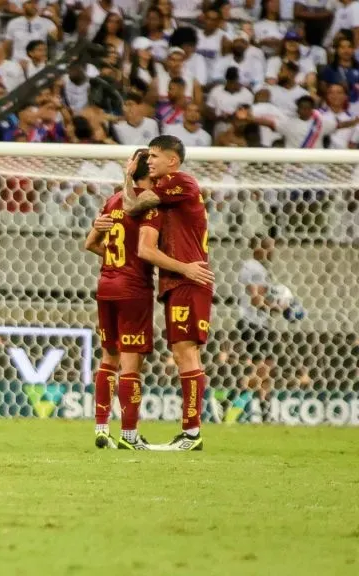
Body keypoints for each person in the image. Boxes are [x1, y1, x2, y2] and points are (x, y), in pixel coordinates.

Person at [123, 136, 215, 451]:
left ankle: (191, 433)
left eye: (154, 156)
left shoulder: (181, 182)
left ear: (172, 160)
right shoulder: (164, 197)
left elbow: (132, 207)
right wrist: (128, 178)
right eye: (147, 157)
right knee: (182, 354)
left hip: (189, 279)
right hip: (179, 280)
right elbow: (134, 208)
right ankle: (190, 432)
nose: (149, 161)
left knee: (186, 353)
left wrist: (186, 269)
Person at [83, 149, 159, 450]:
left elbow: (90, 244)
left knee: (108, 358)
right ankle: (129, 435)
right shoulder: (149, 202)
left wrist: (117, 261)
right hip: (133, 289)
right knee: (130, 364)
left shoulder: (113, 200)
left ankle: (101, 428)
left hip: (107, 284)